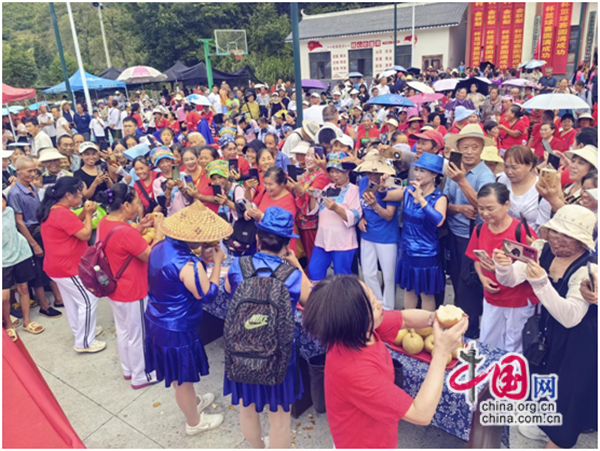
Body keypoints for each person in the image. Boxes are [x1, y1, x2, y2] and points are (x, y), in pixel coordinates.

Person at [302, 275, 469, 449]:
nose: (380, 304)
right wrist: (441, 354)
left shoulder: (358, 331)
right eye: (372, 304)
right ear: (354, 321)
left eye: (374, 298)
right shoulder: (355, 371)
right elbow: (421, 413)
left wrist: (435, 317)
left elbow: (404, 318)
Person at [494, 205, 597, 448]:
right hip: (550, 328)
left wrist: (541, 283)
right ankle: (545, 421)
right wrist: (503, 266)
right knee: (544, 372)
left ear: (581, 242)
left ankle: (559, 438)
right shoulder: (542, 249)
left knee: (570, 388)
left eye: (566, 235)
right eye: (554, 231)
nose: (557, 238)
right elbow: (511, 279)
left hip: (580, 338)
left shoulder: (589, 269)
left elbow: (570, 317)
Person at [224, 207, 312, 449]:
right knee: (280, 420)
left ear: (257, 238)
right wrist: (296, 264)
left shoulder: (238, 266)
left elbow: (229, 291)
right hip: (279, 356)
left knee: (248, 409)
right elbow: (312, 302)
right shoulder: (292, 275)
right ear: (287, 245)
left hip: (242, 350)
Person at [145, 202, 231, 435]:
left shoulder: (159, 246)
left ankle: (193, 402)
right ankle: (194, 422)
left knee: (178, 375)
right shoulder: (188, 264)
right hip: (176, 328)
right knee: (182, 379)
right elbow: (207, 294)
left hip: (156, 319)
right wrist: (217, 263)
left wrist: (202, 259)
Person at [96, 183, 163, 388]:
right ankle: (141, 375)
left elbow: (122, 244)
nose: (139, 205)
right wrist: (159, 230)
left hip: (115, 287)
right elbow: (152, 256)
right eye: (136, 202)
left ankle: (128, 368)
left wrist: (140, 227)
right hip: (133, 289)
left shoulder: (105, 222)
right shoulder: (126, 232)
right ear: (125, 205)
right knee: (139, 334)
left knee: (124, 330)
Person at [465, 183, 539, 352]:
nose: (485, 213)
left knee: (515, 346)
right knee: (489, 342)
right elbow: (476, 258)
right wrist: (483, 278)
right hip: (492, 297)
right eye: (481, 208)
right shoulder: (479, 229)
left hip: (518, 299)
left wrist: (503, 270)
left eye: (490, 208)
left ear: (506, 205)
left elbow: (533, 265)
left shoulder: (521, 231)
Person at [38, 177, 106, 352]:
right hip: (67, 267)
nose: (82, 197)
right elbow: (85, 234)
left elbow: (74, 225)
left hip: (57, 266)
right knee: (89, 300)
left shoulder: (56, 209)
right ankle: (84, 342)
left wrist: (84, 213)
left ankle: (81, 331)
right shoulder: (62, 213)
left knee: (73, 302)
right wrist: (89, 214)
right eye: (79, 194)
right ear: (68, 195)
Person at [443, 125, 496, 338]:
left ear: (482, 149)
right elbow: (444, 201)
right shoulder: (453, 170)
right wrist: (457, 208)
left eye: (474, 147)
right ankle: (458, 325)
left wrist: (462, 181)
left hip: (474, 238)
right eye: (465, 147)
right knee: (456, 281)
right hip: (454, 234)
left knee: (469, 287)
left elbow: (484, 207)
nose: (469, 152)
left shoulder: (485, 175)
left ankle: (470, 333)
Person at [382, 153, 448, 311]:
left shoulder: (439, 198)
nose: (417, 174)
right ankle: (409, 322)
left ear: (434, 175)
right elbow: (384, 196)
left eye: (422, 171)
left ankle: (426, 324)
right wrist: (382, 187)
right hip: (407, 250)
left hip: (426, 254)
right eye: (416, 169)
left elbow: (439, 220)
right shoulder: (408, 191)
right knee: (409, 290)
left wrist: (422, 200)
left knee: (426, 294)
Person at [7, 156, 64, 319]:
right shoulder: (15, 193)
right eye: (29, 171)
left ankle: (58, 298)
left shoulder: (32, 186)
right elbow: (19, 222)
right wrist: (33, 244)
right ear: (18, 172)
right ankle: (44, 305)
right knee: (37, 270)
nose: (33, 174)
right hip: (30, 234)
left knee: (48, 264)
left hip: (41, 229)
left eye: (34, 170)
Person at [353, 153, 400, 311]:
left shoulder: (391, 185)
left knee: (388, 276)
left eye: (376, 172)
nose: (372, 176)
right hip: (367, 234)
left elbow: (389, 215)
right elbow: (359, 205)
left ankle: (389, 308)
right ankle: (377, 304)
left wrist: (375, 206)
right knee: (368, 273)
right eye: (369, 172)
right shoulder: (363, 181)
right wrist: (360, 218)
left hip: (387, 237)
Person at [307, 152, 362, 280]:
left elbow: (356, 215)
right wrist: (312, 197)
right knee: (314, 270)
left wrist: (336, 209)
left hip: (342, 241)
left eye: (338, 172)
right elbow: (315, 209)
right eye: (332, 171)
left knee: (342, 276)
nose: (334, 175)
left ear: (347, 171)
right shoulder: (327, 187)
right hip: (322, 239)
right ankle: (317, 293)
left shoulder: (353, 190)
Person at [3, 194, 44, 341]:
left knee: (24, 288)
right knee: (4, 297)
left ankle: (27, 321)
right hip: (3, 260)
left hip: (21, 253)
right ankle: (8, 324)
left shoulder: (9, 211)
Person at [245, 166, 298, 253]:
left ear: (282, 184)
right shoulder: (265, 192)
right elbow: (253, 204)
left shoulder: (288, 200)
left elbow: (283, 225)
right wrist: (249, 211)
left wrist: (262, 217)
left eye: (270, 184)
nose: (267, 187)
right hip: (264, 244)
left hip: (280, 248)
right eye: (265, 183)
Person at [495, 146, 545, 233]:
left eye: (514, 168)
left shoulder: (541, 188)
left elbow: (544, 226)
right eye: (506, 167)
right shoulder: (500, 180)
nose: (509, 172)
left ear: (529, 166)